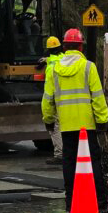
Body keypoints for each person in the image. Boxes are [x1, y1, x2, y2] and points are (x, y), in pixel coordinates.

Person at [42, 27, 108, 205]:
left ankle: (71, 199)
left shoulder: (53, 70)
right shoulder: (89, 67)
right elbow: (98, 97)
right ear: (81, 48)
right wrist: (102, 121)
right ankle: (100, 200)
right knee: (93, 162)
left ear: (65, 47)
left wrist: (49, 121)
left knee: (69, 162)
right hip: (87, 126)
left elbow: (47, 100)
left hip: (66, 126)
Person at [42, 35, 64, 164]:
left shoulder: (51, 68)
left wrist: (47, 116)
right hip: (68, 101)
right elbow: (55, 60)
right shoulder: (64, 60)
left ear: (48, 50)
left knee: (55, 128)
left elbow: (48, 95)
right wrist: (46, 60)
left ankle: (60, 154)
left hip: (56, 101)